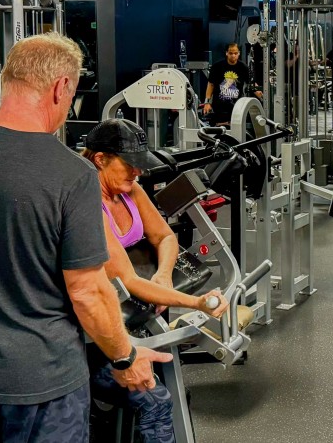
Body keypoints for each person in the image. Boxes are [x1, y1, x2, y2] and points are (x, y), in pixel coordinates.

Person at [0, 32, 170, 443]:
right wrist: (125, 357)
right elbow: (88, 293)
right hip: (44, 384)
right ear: (62, 88)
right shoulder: (73, 175)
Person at [82, 118, 228, 442]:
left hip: (137, 319)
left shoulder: (130, 190)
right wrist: (198, 302)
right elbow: (128, 279)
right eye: (130, 164)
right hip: (96, 339)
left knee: (175, 395)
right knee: (159, 402)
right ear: (100, 159)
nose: (138, 172)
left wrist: (163, 276)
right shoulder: (86, 202)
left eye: (140, 165)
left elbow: (165, 236)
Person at [203, 42, 257, 125]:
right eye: (231, 53)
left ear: (239, 53)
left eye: (235, 53)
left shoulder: (243, 68)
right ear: (226, 53)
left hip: (236, 107)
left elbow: (251, 84)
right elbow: (211, 85)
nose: (233, 55)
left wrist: (260, 93)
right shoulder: (217, 67)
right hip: (219, 107)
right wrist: (207, 102)